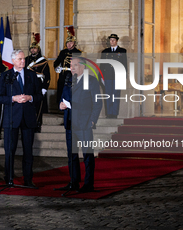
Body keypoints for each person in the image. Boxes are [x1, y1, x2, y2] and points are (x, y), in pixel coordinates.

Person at [0, 49, 43, 187]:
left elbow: (40, 95)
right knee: (10, 150)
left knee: (28, 151)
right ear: (13, 61)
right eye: (20, 59)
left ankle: (28, 179)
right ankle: (9, 178)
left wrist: (30, 97)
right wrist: (13, 98)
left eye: (23, 59)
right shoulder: (6, 75)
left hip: (28, 118)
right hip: (11, 118)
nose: (23, 61)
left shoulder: (31, 75)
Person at [59, 57, 102, 192]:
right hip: (70, 123)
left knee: (87, 156)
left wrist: (92, 120)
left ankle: (88, 184)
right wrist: (61, 105)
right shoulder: (68, 80)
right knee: (72, 155)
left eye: (75, 65)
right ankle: (73, 182)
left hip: (84, 124)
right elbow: (63, 98)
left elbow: (97, 103)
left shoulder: (91, 81)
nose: (72, 68)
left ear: (83, 67)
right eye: (71, 66)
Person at [25, 33, 50, 133]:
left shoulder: (43, 61)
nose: (33, 50)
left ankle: (38, 124)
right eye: (31, 48)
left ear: (38, 49)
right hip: (28, 83)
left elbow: (47, 76)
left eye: (35, 48)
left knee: (38, 105)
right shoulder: (26, 60)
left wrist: (45, 87)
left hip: (39, 84)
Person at [100, 34, 127, 118]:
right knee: (108, 95)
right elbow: (102, 65)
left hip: (117, 77)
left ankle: (114, 113)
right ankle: (109, 113)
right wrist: (101, 76)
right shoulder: (105, 52)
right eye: (111, 40)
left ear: (116, 41)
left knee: (116, 95)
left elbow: (124, 64)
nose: (112, 41)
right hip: (107, 76)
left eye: (113, 40)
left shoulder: (122, 51)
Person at [54, 26, 82, 105]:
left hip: (73, 75)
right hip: (63, 75)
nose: (69, 44)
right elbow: (56, 62)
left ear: (74, 43)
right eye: (67, 43)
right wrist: (56, 67)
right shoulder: (63, 52)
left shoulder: (78, 52)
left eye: (71, 43)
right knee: (61, 91)